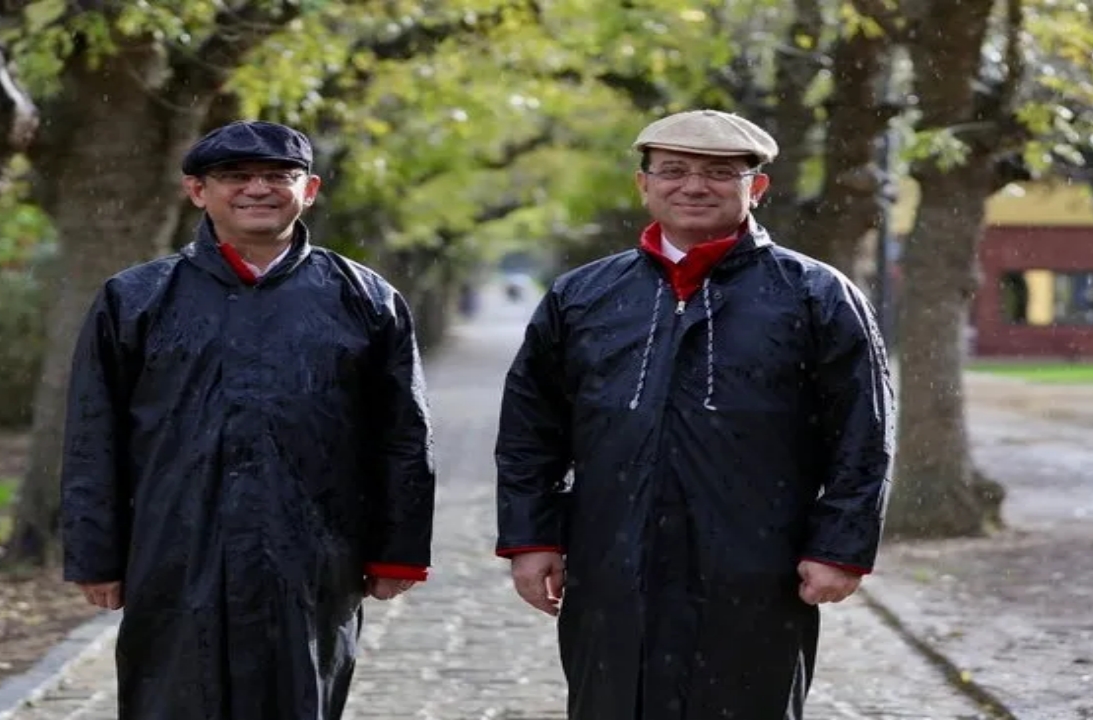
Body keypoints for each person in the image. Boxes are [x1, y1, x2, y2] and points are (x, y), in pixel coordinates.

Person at [494, 109, 894, 720]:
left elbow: (864, 433)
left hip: (755, 567)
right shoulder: (583, 296)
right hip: (611, 561)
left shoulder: (816, 295)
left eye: (719, 173)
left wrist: (839, 547)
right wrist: (532, 537)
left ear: (756, 187)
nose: (694, 186)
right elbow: (530, 429)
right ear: (644, 183)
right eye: (673, 170)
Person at [60, 120, 436, 720]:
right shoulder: (135, 298)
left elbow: (403, 435)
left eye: (277, 176)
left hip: (314, 551)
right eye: (234, 176)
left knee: (299, 699)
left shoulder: (365, 299)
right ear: (197, 191)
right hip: (174, 547)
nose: (257, 189)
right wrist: (95, 553)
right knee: (173, 700)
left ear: (308, 190)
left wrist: (398, 550)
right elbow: (93, 433)